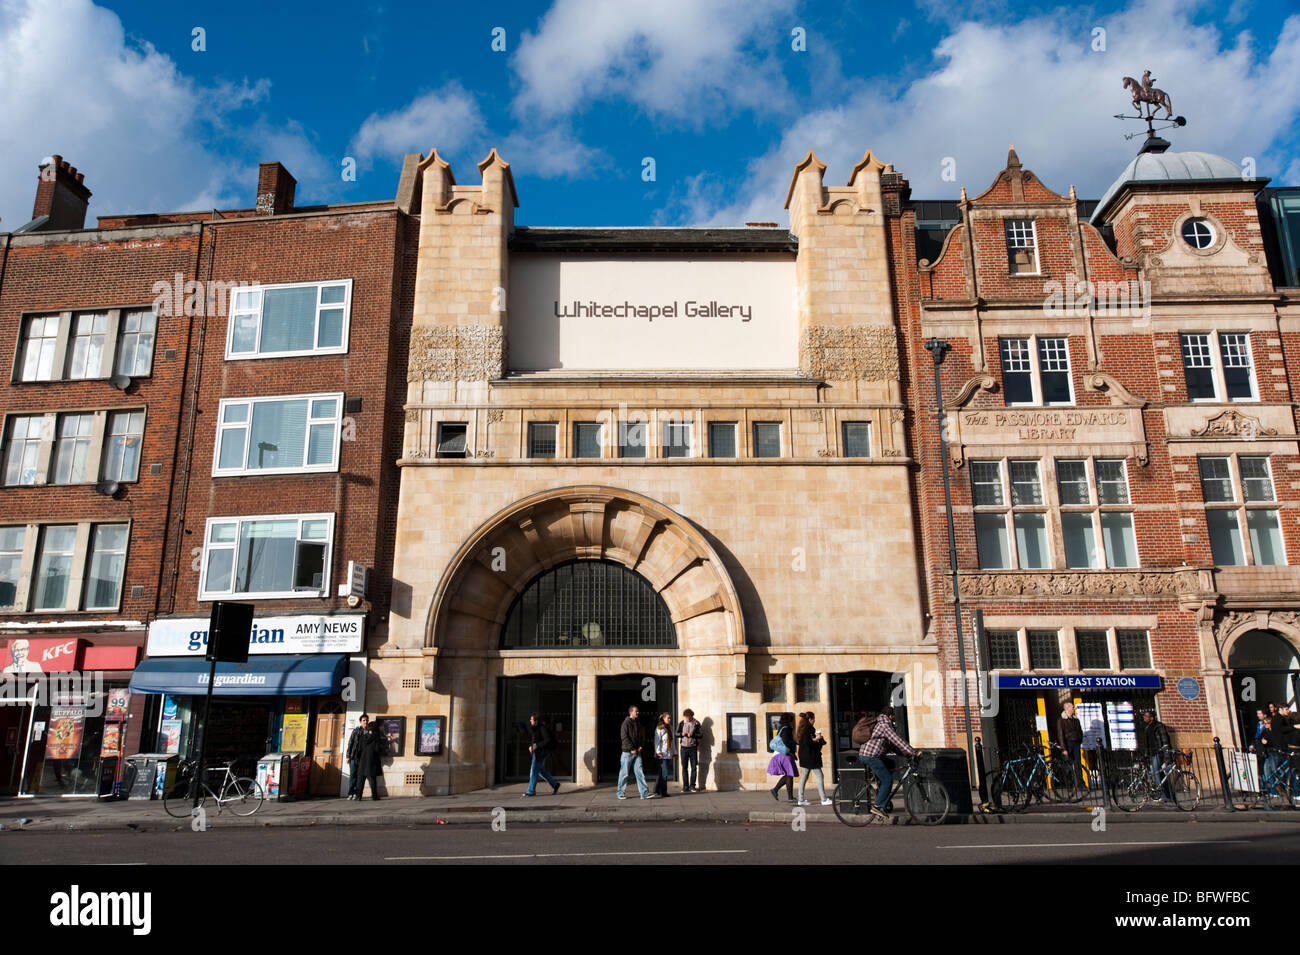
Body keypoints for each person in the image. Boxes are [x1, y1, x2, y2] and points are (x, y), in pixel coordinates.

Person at [858, 706, 919, 820]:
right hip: (870, 756)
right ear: (890, 716)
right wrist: (913, 752)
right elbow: (897, 740)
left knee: (890, 765)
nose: (893, 719)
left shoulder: (881, 723)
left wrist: (906, 754)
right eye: (893, 717)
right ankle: (878, 806)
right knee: (888, 780)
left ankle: (882, 799)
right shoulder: (884, 725)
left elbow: (892, 745)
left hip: (873, 755)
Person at [795, 712, 831, 806]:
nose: (814, 720)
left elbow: (806, 741)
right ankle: (823, 799)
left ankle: (801, 799)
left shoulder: (803, 729)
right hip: (810, 756)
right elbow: (808, 742)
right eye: (813, 718)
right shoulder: (808, 729)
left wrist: (818, 739)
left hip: (804, 756)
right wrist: (817, 739)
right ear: (810, 719)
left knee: (804, 777)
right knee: (820, 776)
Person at [617, 705, 652, 799]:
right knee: (624, 773)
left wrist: (641, 746)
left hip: (637, 752)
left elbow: (641, 736)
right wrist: (631, 748)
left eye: (638, 711)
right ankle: (620, 793)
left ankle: (644, 793)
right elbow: (624, 737)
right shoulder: (626, 723)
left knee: (640, 772)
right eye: (636, 711)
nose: (637, 713)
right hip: (627, 753)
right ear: (630, 712)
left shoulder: (638, 723)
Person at [524, 712, 560, 797]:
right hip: (536, 752)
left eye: (531, 719)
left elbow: (548, 740)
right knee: (541, 771)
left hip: (540, 753)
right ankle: (555, 785)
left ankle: (531, 791)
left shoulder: (542, 728)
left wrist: (537, 745)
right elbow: (534, 740)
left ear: (536, 721)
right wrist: (531, 746)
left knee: (533, 770)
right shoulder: (535, 728)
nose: (530, 721)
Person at [1141, 710, 1173, 802]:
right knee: (1161, 774)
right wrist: (1146, 753)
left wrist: (1166, 754)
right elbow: (1148, 742)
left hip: (1158, 753)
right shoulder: (1147, 728)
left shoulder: (1158, 726)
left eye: (1146, 716)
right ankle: (1169, 795)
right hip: (1152, 753)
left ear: (1151, 718)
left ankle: (1161, 795)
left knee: (1156, 773)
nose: (1144, 718)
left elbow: (1164, 740)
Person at [767, 713, 799, 802]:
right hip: (784, 754)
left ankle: (778, 791)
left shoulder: (782, 727)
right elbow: (786, 740)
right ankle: (784, 794)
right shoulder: (787, 728)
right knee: (789, 774)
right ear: (790, 720)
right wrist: (796, 743)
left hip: (781, 754)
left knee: (789, 774)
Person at [357, 718, 388, 800]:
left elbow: (359, 749)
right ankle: (374, 796)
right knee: (372, 780)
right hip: (372, 761)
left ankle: (358, 796)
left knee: (361, 779)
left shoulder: (363, 737)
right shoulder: (376, 738)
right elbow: (377, 749)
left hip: (363, 761)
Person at [1057, 701, 1084, 790]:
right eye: (1072, 707)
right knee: (1067, 765)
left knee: (1078, 764)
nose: (1074, 709)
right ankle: (1069, 785)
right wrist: (1063, 748)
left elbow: (1080, 731)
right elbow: (1060, 735)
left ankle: (1081, 784)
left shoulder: (1076, 719)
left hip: (1076, 743)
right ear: (1067, 709)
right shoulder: (1061, 720)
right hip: (1068, 744)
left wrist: (1080, 740)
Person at [344, 714, 370, 800]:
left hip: (363, 758)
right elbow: (350, 743)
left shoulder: (369, 732)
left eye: (366, 720)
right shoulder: (356, 731)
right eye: (364, 720)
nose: (365, 722)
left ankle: (357, 793)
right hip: (354, 757)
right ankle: (351, 792)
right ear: (360, 722)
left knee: (360, 776)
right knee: (353, 775)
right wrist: (348, 756)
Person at [677, 709, 701, 792]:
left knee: (694, 767)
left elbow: (701, 735)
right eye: (686, 717)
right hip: (683, 748)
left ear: (691, 716)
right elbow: (676, 733)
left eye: (688, 717)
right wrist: (681, 734)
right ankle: (685, 786)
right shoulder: (681, 723)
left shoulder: (696, 723)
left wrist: (693, 735)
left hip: (693, 747)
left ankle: (692, 786)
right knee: (684, 767)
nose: (687, 719)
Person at [654, 712, 674, 798]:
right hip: (662, 754)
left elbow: (672, 742)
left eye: (670, 718)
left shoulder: (670, 728)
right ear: (663, 719)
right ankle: (663, 792)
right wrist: (658, 752)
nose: (669, 719)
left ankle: (656, 789)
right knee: (665, 773)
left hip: (669, 753)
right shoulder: (659, 728)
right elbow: (657, 742)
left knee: (661, 773)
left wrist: (675, 752)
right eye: (668, 718)